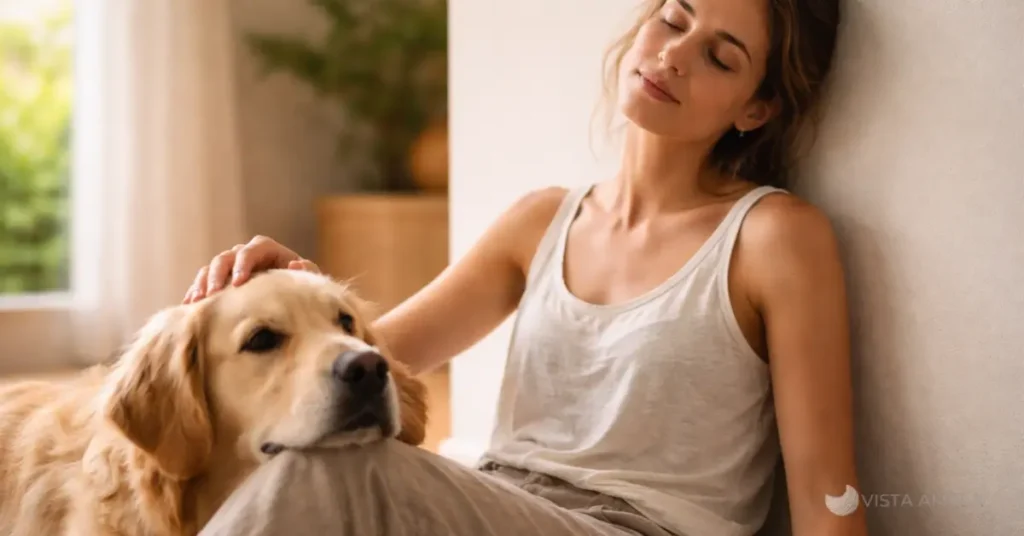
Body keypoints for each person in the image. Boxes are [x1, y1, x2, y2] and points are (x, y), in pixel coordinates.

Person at [185, 0, 867, 534]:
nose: (673, 55)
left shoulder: (774, 239)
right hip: (499, 500)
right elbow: (373, 362)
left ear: (757, 107)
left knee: (335, 476)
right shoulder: (543, 222)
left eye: (720, 57)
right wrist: (295, 289)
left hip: (634, 527)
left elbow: (826, 499)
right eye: (673, 19)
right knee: (311, 449)